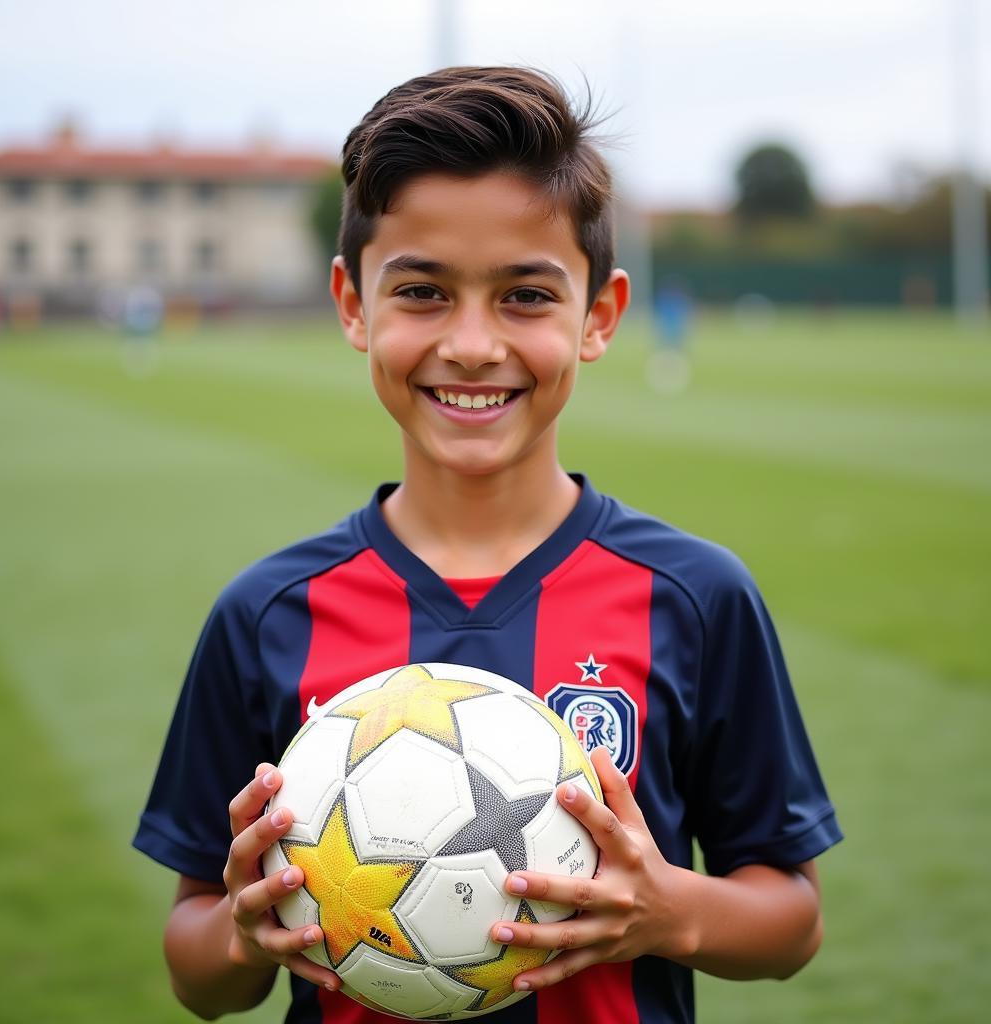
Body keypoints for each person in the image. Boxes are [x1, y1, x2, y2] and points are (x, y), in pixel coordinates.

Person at [133, 67, 842, 1024]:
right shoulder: (267, 614)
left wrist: (669, 910)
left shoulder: (693, 595)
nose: (471, 344)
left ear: (599, 316)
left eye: (524, 297)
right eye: (422, 291)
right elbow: (195, 967)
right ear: (353, 305)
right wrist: (241, 934)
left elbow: (791, 923)